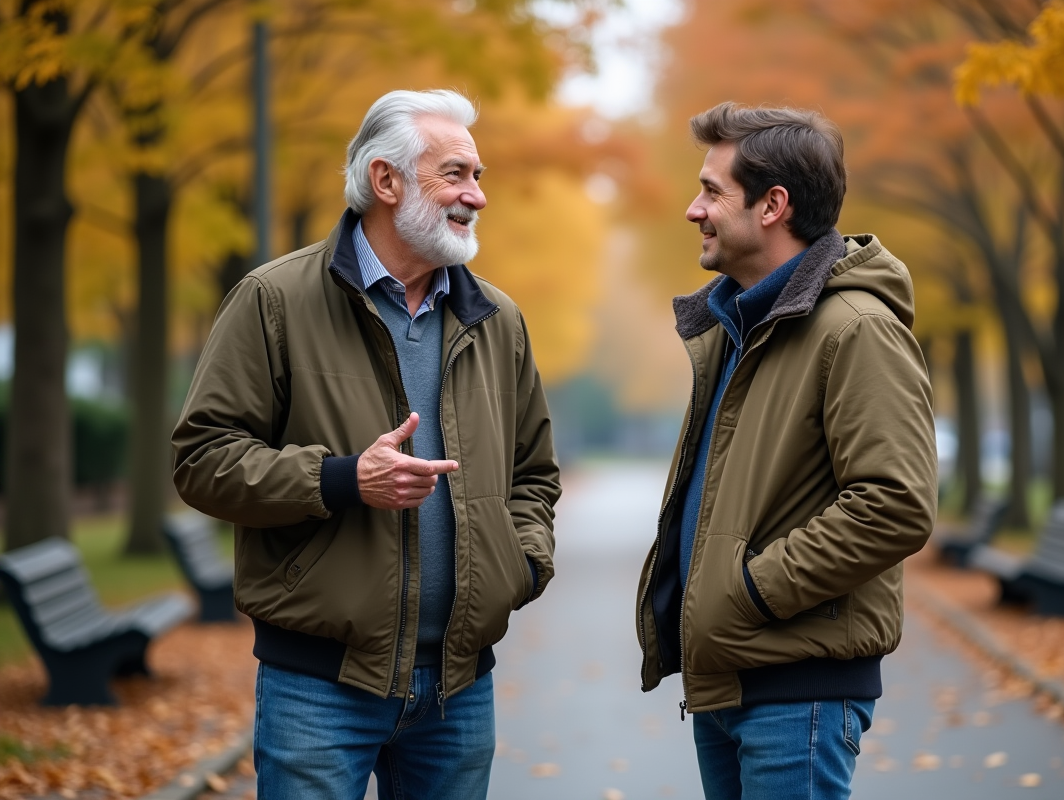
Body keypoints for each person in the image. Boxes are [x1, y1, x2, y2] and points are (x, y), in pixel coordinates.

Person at [172, 89, 559, 800]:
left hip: (460, 686)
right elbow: (201, 461)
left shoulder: (498, 320)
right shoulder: (273, 299)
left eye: (479, 176)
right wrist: (342, 479)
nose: (477, 195)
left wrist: (523, 567)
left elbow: (533, 475)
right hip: (318, 685)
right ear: (386, 181)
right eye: (457, 174)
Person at [636, 102, 938, 800]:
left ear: (773, 205)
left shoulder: (855, 329)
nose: (692, 209)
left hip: (795, 689)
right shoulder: (740, 327)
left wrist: (751, 592)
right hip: (734, 678)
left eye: (712, 192)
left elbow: (895, 503)